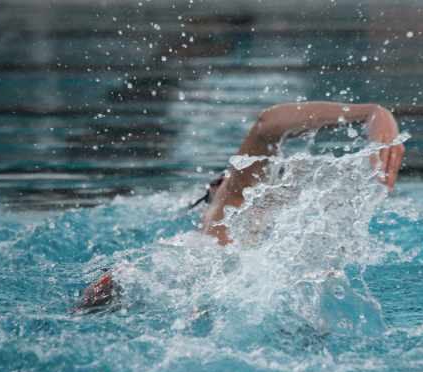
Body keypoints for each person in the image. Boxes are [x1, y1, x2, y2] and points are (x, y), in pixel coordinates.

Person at [76, 102, 404, 308]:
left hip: (160, 275)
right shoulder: (235, 203)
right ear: (216, 188)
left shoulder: (235, 231)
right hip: (178, 275)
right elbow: (266, 124)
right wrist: (373, 113)